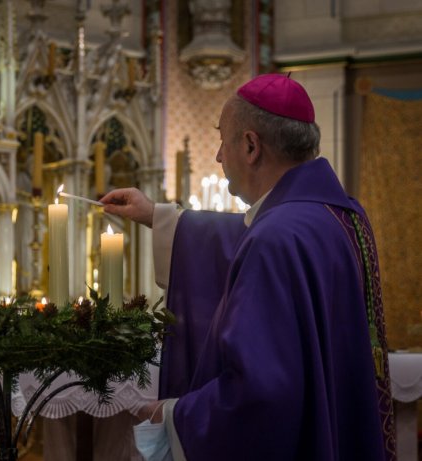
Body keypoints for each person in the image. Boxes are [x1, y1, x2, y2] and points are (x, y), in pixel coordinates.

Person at [101, 74, 395, 460]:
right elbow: (245, 237)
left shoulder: (275, 237)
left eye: (223, 140)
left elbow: (257, 395)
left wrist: (172, 413)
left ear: (251, 145)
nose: (219, 156)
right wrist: (158, 217)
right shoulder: (342, 218)